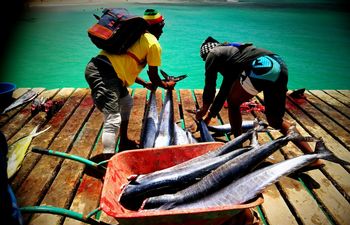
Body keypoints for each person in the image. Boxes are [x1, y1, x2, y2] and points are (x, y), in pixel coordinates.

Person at [196, 36, 323, 166]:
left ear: (206, 54)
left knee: (233, 103)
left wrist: (203, 110)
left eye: (204, 59)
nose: (206, 62)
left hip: (261, 66)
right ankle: (312, 157)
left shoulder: (213, 54)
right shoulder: (233, 55)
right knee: (275, 121)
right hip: (279, 64)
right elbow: (224, 91)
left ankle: (238, 147)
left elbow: (210, 85)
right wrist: (210, 116)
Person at [85, 9, 175, 155]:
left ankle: (124, 140)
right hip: (104, 73)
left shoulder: (132, 37)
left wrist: (144, 84)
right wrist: (167, 85)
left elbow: (124, 65)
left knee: (126, 102)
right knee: (112, 118)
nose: (162, 32)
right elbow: (155, 77)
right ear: (155, 28)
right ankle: (109, 159)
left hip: (105, 70)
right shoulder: (153, 44)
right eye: (161, 28)